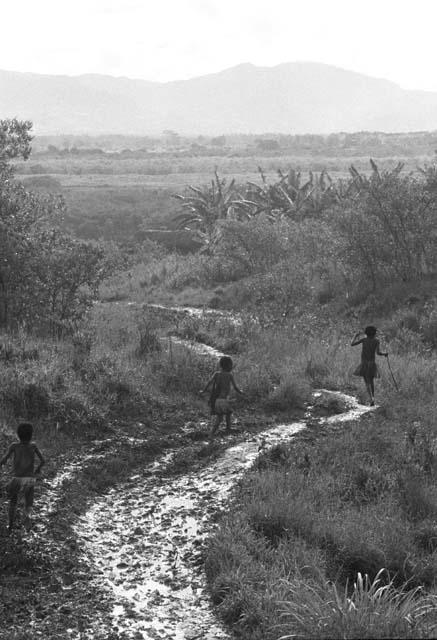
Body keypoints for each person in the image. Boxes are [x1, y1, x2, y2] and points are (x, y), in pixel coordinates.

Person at [0, 423, 45, 532]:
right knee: (28, 502)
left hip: (16, 479)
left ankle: (10, 525)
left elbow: (3, 460)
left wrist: (2, 465)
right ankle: (27, 524)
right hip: (30, 479)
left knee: (13, 501)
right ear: (31, 435)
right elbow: (43, 461)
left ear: (18, 434)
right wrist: (37, 469)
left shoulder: (14, 446)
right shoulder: (33, 446)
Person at [200, 356, 244, 439]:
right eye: (231, 365)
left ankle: (218, 431)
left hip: (217, 400)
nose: (232, 366)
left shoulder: (216, 374)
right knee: (225, 415)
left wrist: (203, 391)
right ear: (229, 366)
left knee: (225, 415)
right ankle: (219, 431)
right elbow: (235, 387)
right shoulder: (229, 375)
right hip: (223, 400)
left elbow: (209, 383)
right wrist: (241, 392)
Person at [351, 326, 388, 406]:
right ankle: (373, 399)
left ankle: (371, 399)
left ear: (366, 333)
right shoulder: (376, 341)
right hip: (372, 364)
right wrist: (384, 354)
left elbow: (352, 344)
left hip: (364, 363)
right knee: (371, 382)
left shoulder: (364, 340)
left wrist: (355, 336)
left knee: (367, 382)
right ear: (374, 334)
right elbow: (378, 353)